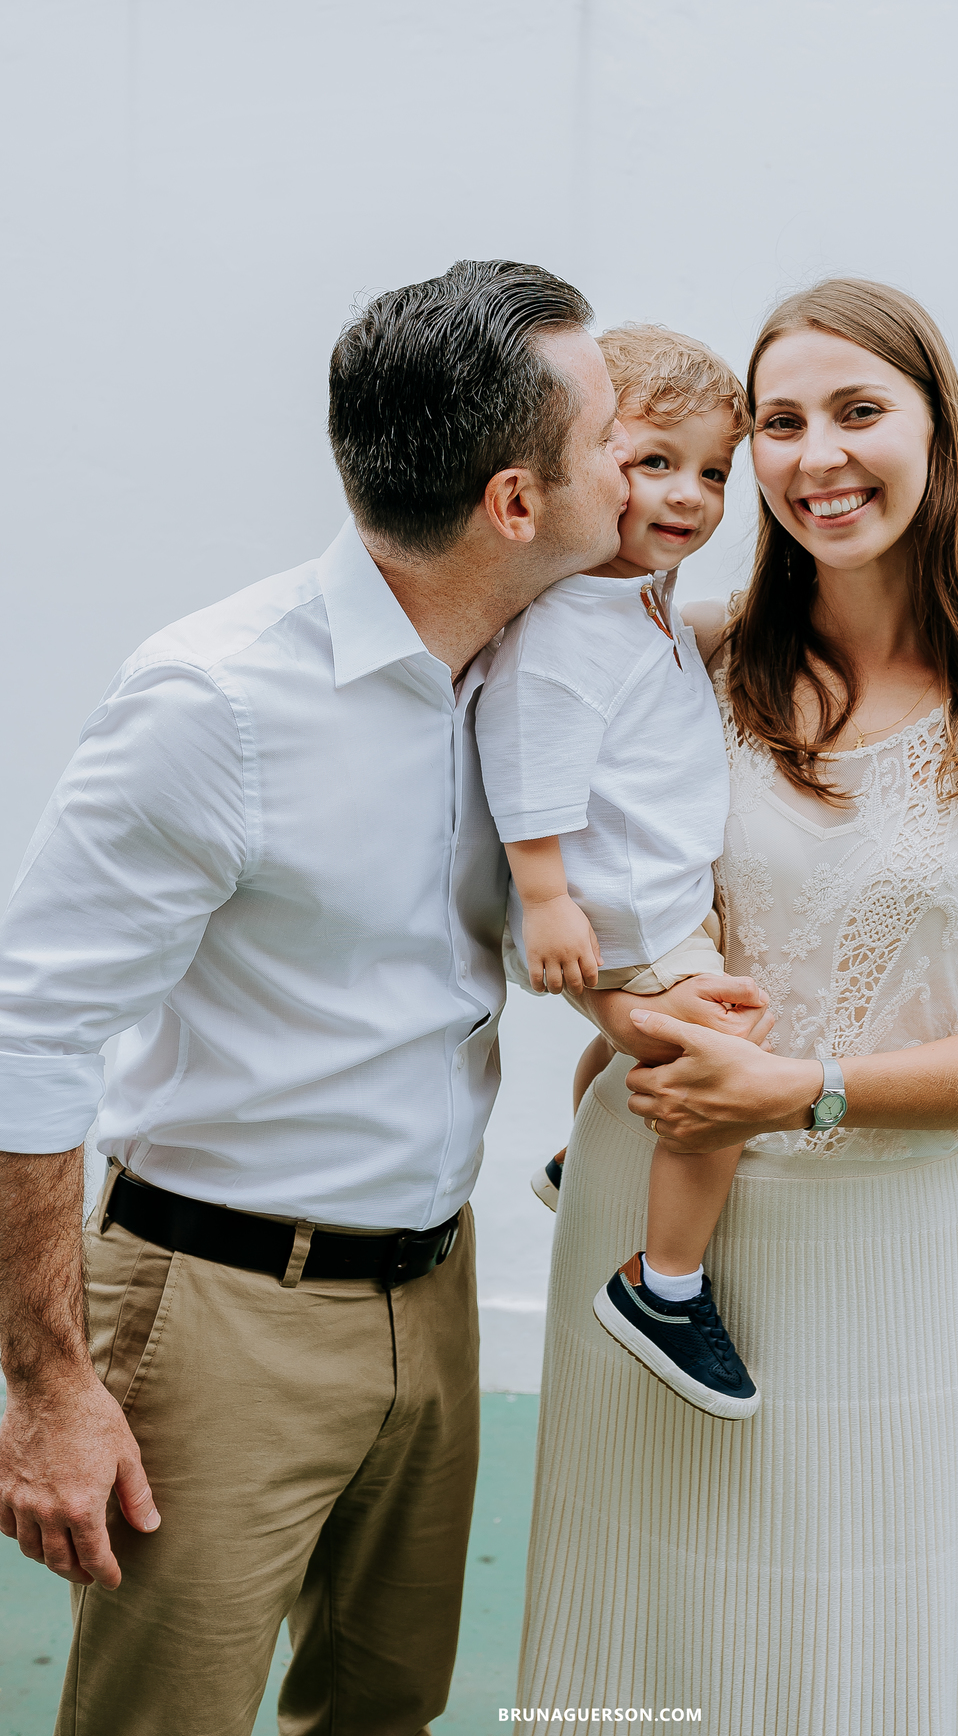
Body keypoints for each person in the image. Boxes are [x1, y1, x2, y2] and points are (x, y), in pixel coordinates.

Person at [0, 260, 769, 1736]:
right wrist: (46, 1388)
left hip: (436, 1287)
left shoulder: (533, 665)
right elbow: (30, 1036)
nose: (653, 467)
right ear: (515, 501)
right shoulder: (215, 704)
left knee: (383, 1705)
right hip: (220, 1311)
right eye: (618, 435)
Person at [518, 279, 958, 1734]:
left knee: (846, 1643)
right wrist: (628, 1029)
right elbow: (565, 869)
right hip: (652, 1216)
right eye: (781, 422)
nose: (817, 455)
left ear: (941, 433)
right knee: (641, 1634)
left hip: (880, 1246)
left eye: (860, 411)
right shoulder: (693, 654)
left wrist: (799, 1090)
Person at [478, 324, 760, 1419]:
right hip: (617, 913)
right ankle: (665, 1285)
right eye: (655, 463)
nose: (688, 494)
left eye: (713, 472)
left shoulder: (637, 594)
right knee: (720, 1069)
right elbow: (527, 760)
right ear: (585, 462)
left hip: (652, 898)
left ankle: (576, 1155)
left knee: (632, 1042)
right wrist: (545, 899)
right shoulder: (561, 630)